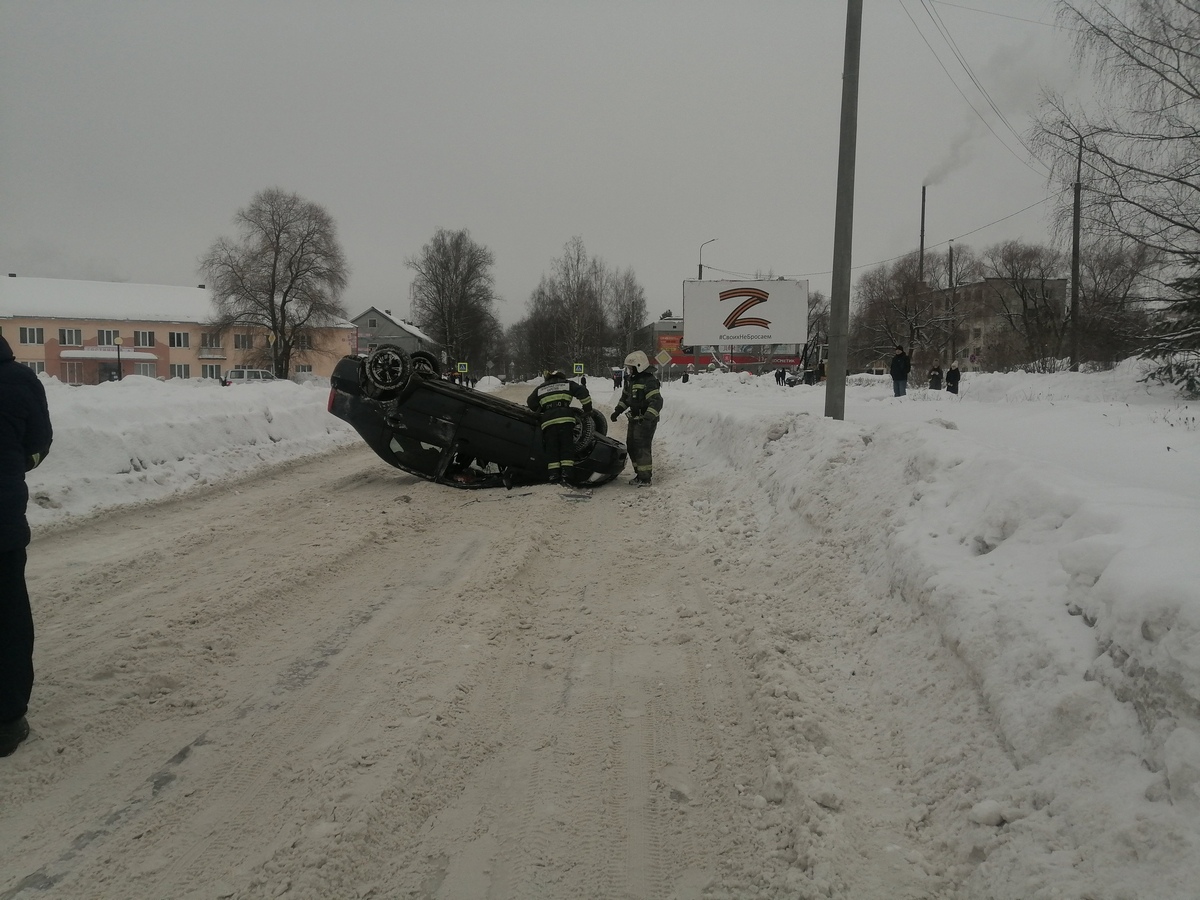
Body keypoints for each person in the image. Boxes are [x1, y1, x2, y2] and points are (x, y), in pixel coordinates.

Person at [1, 335, 53, 757]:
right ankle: (6, 720)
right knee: (8, 617)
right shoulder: (19, 380)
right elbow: (40, 443)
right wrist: (17, 460)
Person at [526, 367, 592, 484]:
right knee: (566, 448)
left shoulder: (541, 388)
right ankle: (567, 475)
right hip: (565, 419)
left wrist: (542, 409)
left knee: (552, 449)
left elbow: (531, 403)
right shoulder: (567, 384)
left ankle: (553, 476)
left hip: (548, 422)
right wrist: (587, 408)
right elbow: (583, 392)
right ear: (561, 377)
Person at [611, 350, 663, 486]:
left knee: (642, 447)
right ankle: (639, 473)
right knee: (632, 446)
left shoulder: (649, 381)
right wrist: (617, 411)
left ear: (639, 366)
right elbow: (625, 399)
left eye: (630, 368)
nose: (629, 370)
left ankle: (645, 478)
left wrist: (647, 418)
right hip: (634, 418)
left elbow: (656, 401)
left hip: (645, 420)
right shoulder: (630, 381)